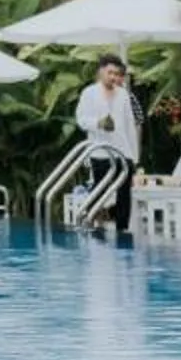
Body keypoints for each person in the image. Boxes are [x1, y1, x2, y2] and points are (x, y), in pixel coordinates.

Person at [71, 55, 140, 233]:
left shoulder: (123, 94)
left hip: (123, 151)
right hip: (99, 151)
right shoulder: (89, 93)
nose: (113, 77)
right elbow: (81, 119)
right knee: (99, 190)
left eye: (117, 74)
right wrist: (98, 123)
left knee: (124, 193)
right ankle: (94, 226)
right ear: (101, 71)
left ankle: (122, 229)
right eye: (110, 73)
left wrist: (133, 155)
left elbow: (129, 124)